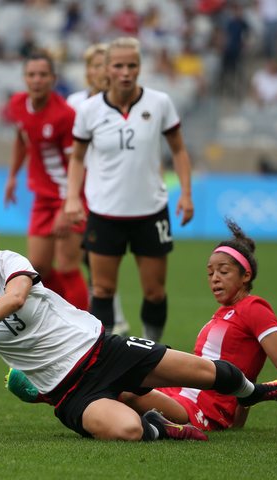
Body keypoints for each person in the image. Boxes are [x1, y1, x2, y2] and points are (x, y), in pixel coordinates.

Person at [0, 163, 277, 441]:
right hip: (67, 392)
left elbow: (17, 297)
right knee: (128, 432)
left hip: (103, 350)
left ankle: (251, 393)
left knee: (208, 374)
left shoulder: (10, 263)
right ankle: (160, 428)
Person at [7, 220, 277, 432]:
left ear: (246, 275)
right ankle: (49, 391)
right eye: (210, 271)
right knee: (117, 384)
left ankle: (44, 394)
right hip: (179, 396)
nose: (215, 278)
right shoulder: (220, 315)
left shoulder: (254, 308)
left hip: (202, 411)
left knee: (119, 390)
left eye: (224, 270)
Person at [64, 37, 194, 342]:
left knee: (155, 291)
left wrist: (186, 193)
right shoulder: (89, 110)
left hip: (150, 212)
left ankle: (153, 350)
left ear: (139, 67)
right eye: (118, 65)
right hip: (104, 213)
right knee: (104, 290)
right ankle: (106, 357)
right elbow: (78, 157)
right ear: (107, 68)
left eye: (131, 65)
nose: (125, 72)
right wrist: (72, 197)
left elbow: (178, 150)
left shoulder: (159, 103)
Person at [3, 51, 89, 312]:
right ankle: (62, 315)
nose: (37, 80)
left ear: (53, 79)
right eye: (31, 74)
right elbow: (22, 138)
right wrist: (12, 176)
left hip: (70, 196)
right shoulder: (17, 104)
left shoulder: (65, 115)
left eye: (43, 75)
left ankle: (88, 328)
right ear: (24, 78)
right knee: (38, 267)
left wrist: (67, 206)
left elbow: (77, 162)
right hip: (42, 197)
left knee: (67, 266)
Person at [66, 42, 130, 336]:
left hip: (106, 185)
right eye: (93, 65)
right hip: (80, 184)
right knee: (82, 255)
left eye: (104, 65)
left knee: (98, 254)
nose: (99, 71)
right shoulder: (75, 103)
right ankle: (100, 315)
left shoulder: (120, 104)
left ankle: (111, 318)